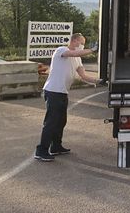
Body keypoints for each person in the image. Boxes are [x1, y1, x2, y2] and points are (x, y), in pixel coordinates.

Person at [34, 33, 101, 162]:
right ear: (74, 40)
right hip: (53, 91)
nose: (82, 46)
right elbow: (74, 54)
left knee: (61, 121)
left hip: (63, 92)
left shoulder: (77, 59)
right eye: (81, 43)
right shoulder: (61, 50)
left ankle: (56, 147)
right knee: (51, 122)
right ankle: (41, 150)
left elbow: (83, 76)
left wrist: (98, 81)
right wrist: (92, 50)